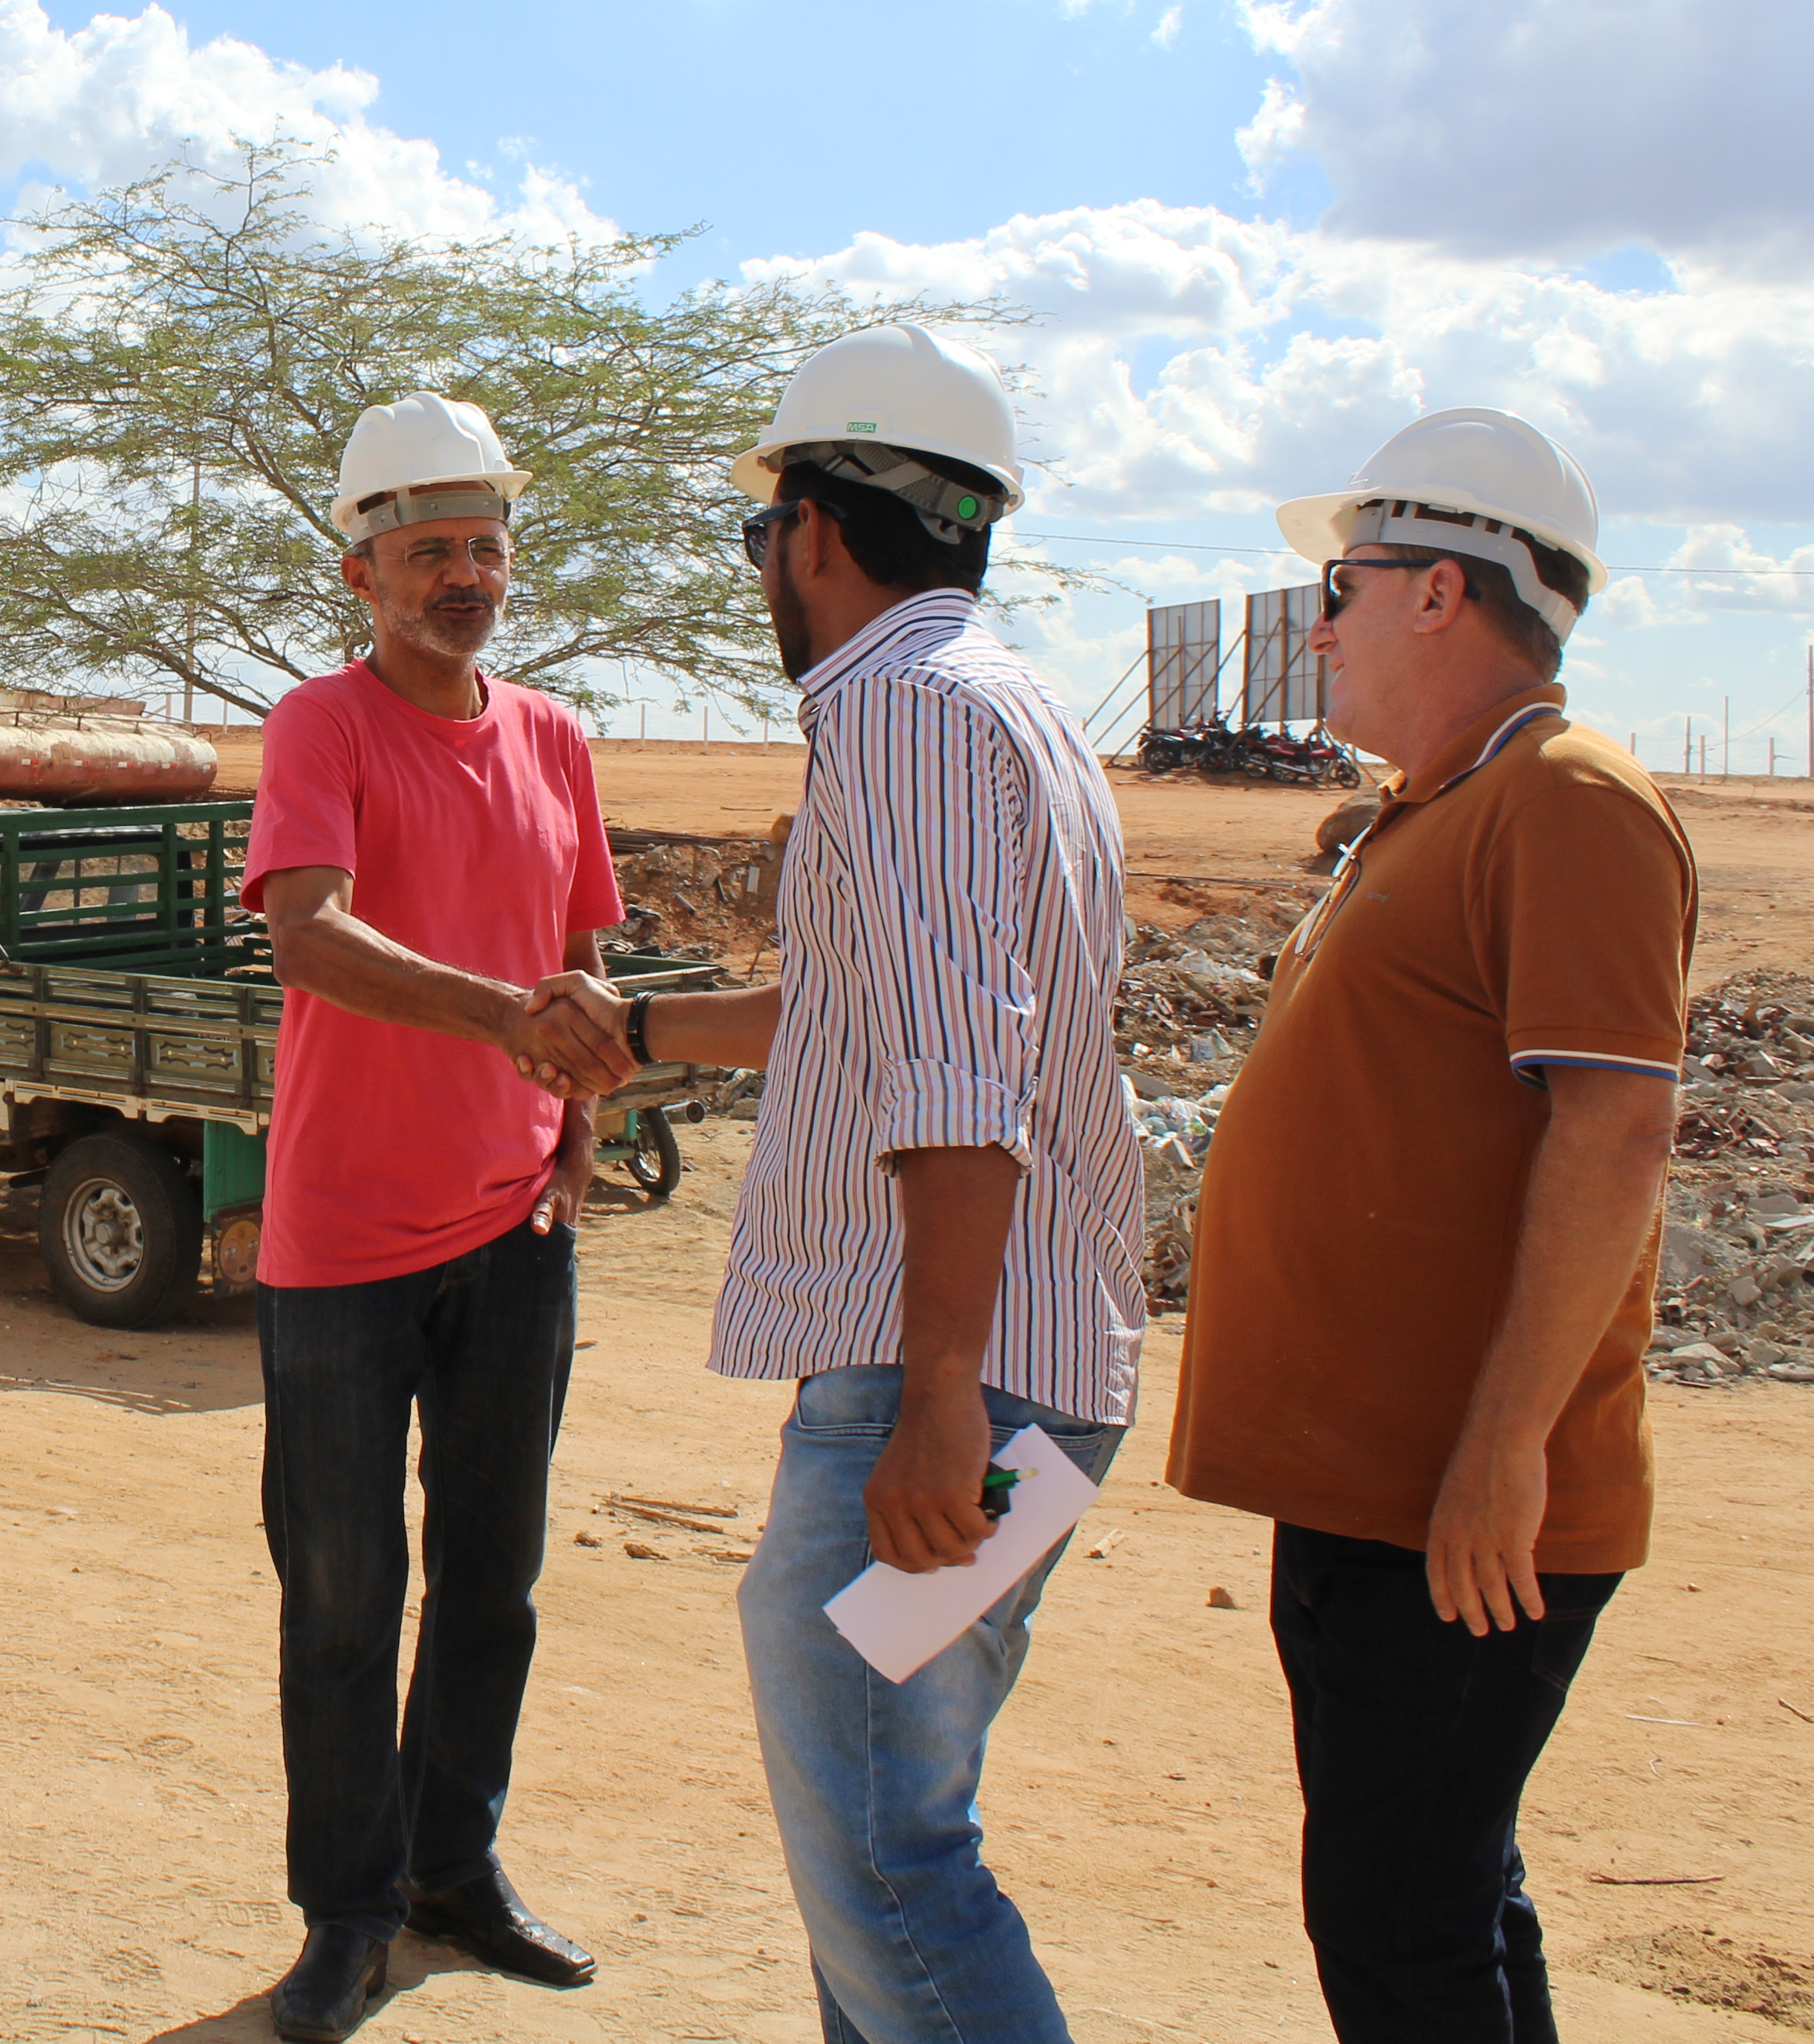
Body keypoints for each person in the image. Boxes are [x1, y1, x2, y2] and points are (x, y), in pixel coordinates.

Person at [530, 323, 1139, 2044]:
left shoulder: (895, 710)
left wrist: (936, 1392)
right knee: (879, 1855)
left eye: (758, 537)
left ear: (811, 527)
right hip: (1016, 1359)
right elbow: (884, 999)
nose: (761, 575)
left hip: (948, 1375)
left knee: (887, 1864)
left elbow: (957, 1070)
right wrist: (644, 1024)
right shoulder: (1007, 704)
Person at [1168, 409, 1688, 2043]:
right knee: (1439, 1899)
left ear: (1446, 593)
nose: (1318, 624)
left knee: (1399, 1931)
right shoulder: (1441, 803)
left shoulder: (1570, 799)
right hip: (1383, 1495)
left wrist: (1505, 1448)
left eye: (1346, 583)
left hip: (1454, 1508)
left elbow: (1617, 1126)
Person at [237, 395, 628, 2044]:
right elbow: (310, 939)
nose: (465, 577)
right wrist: (507, 1025)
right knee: (340, 1589)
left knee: (495, 1579)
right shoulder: (319, 727)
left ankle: (453, 1873)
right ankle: (347, 1911)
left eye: (485, 548)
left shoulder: (551, 734)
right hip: (341, 1243)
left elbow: (585, 953)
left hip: (511, 1232)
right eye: (428, 553)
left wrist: (578, 1121)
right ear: (362, 573)